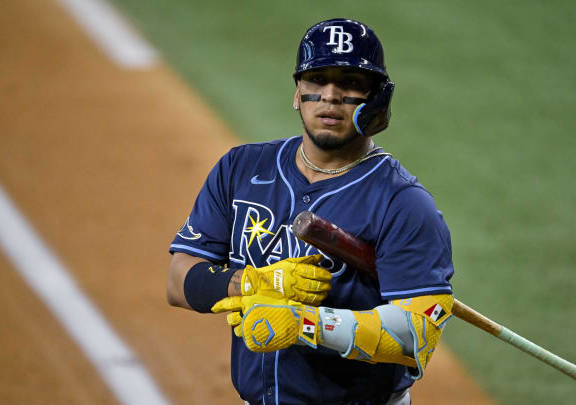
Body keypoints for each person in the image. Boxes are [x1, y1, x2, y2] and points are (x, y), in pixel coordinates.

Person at [167, 18, 455, 405]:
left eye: (350, 82)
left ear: (376, 99)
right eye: (317, 79)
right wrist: (253, 285)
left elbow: (414, 336)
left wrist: (305, 324)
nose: (330, 96)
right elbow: (179, 279)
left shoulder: (402, 202)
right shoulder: (241, 168)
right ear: (297, 91)